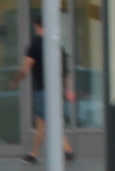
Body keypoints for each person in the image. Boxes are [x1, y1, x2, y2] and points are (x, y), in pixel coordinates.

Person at [13, 17, 74, 163]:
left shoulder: (35, 44)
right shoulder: (57, 45)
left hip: (42, 90)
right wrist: (68, 90)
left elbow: (26, 67)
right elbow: (66, 72)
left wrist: (16, 80)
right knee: (43, 123)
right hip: (57, 90)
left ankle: (68, 150)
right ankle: (34, 154)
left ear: (37, 26)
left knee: (48, 122)